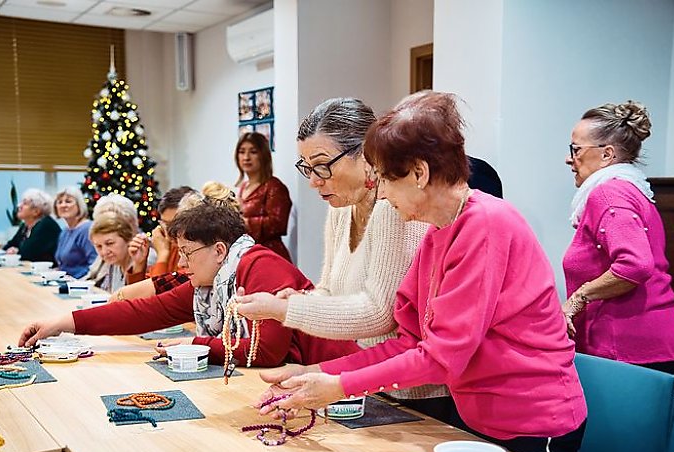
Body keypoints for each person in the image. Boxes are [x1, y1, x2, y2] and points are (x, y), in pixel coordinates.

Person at [252, 91, 588, 452]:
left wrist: (337, 386)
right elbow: (408, 341)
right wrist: (315, 373)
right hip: (480, 417)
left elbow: (441, 356)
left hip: (532, 421)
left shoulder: (487, 225)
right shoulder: (436, 232)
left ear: (419, 173)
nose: (379, 193)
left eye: (383, 180)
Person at [235, 97, 448, 418]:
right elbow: (331, 290)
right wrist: (302, 300)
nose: (314, 180)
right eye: (307, 167)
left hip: (419, 394)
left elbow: (380, 313)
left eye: (323, 165)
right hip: (370, 380)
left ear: (366, 154)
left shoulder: (394, 208)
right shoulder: (342, 207)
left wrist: (286, 310)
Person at [17, 197, 359, 368]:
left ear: (220, 250)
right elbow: (142, 313)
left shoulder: (261, 267)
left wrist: (197, 345)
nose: (181, 263)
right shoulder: (208, 285)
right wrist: (60, 324)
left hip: (350, 388)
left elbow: (267, 352)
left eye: (187, 253)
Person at [562, 100, 674, 382]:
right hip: (639, 345)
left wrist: (577, 298)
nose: (568, 159)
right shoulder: (630, 190)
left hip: (629, 348)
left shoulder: (610, 194)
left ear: (607, 154)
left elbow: (635, 265)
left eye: (575, 149)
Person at [109, 182, 239, 302]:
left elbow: (159, 301)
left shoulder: (196, 250)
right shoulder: (169, 244)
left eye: (175, 224)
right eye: (165, 224)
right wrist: (139, 264)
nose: (171, 232)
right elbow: (139, 303)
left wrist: (162, 257)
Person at [235, 132, 293, 262]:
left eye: (253, 152)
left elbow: (277, 224)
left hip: (270, 256)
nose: (246, 157)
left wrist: (242, 222)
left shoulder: (274, 186)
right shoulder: (243, 187)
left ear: (263, 155)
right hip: (247, 255)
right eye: (242, 152)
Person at [84, 212, 140, 293]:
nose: (104, 252)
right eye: (99, 246)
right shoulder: (114, 262)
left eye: (110, 243)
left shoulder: (141, 263)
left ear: (127, 238)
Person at [3, 188, 61, 263]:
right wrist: (14, 250)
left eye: (25, 203)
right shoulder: (25, 226)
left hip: (48, 271)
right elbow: (8, 246)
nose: (19, 206)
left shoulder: (46, 225)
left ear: (36, 211)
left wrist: (17, 250)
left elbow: (28, 254)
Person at [53, 187, 97, 278]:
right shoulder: (64, 231)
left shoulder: (87, 229)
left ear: (79, 205)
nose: (63, 205)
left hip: (81, 284)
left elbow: (95, 266)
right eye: (59, 202)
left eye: (68, 201)